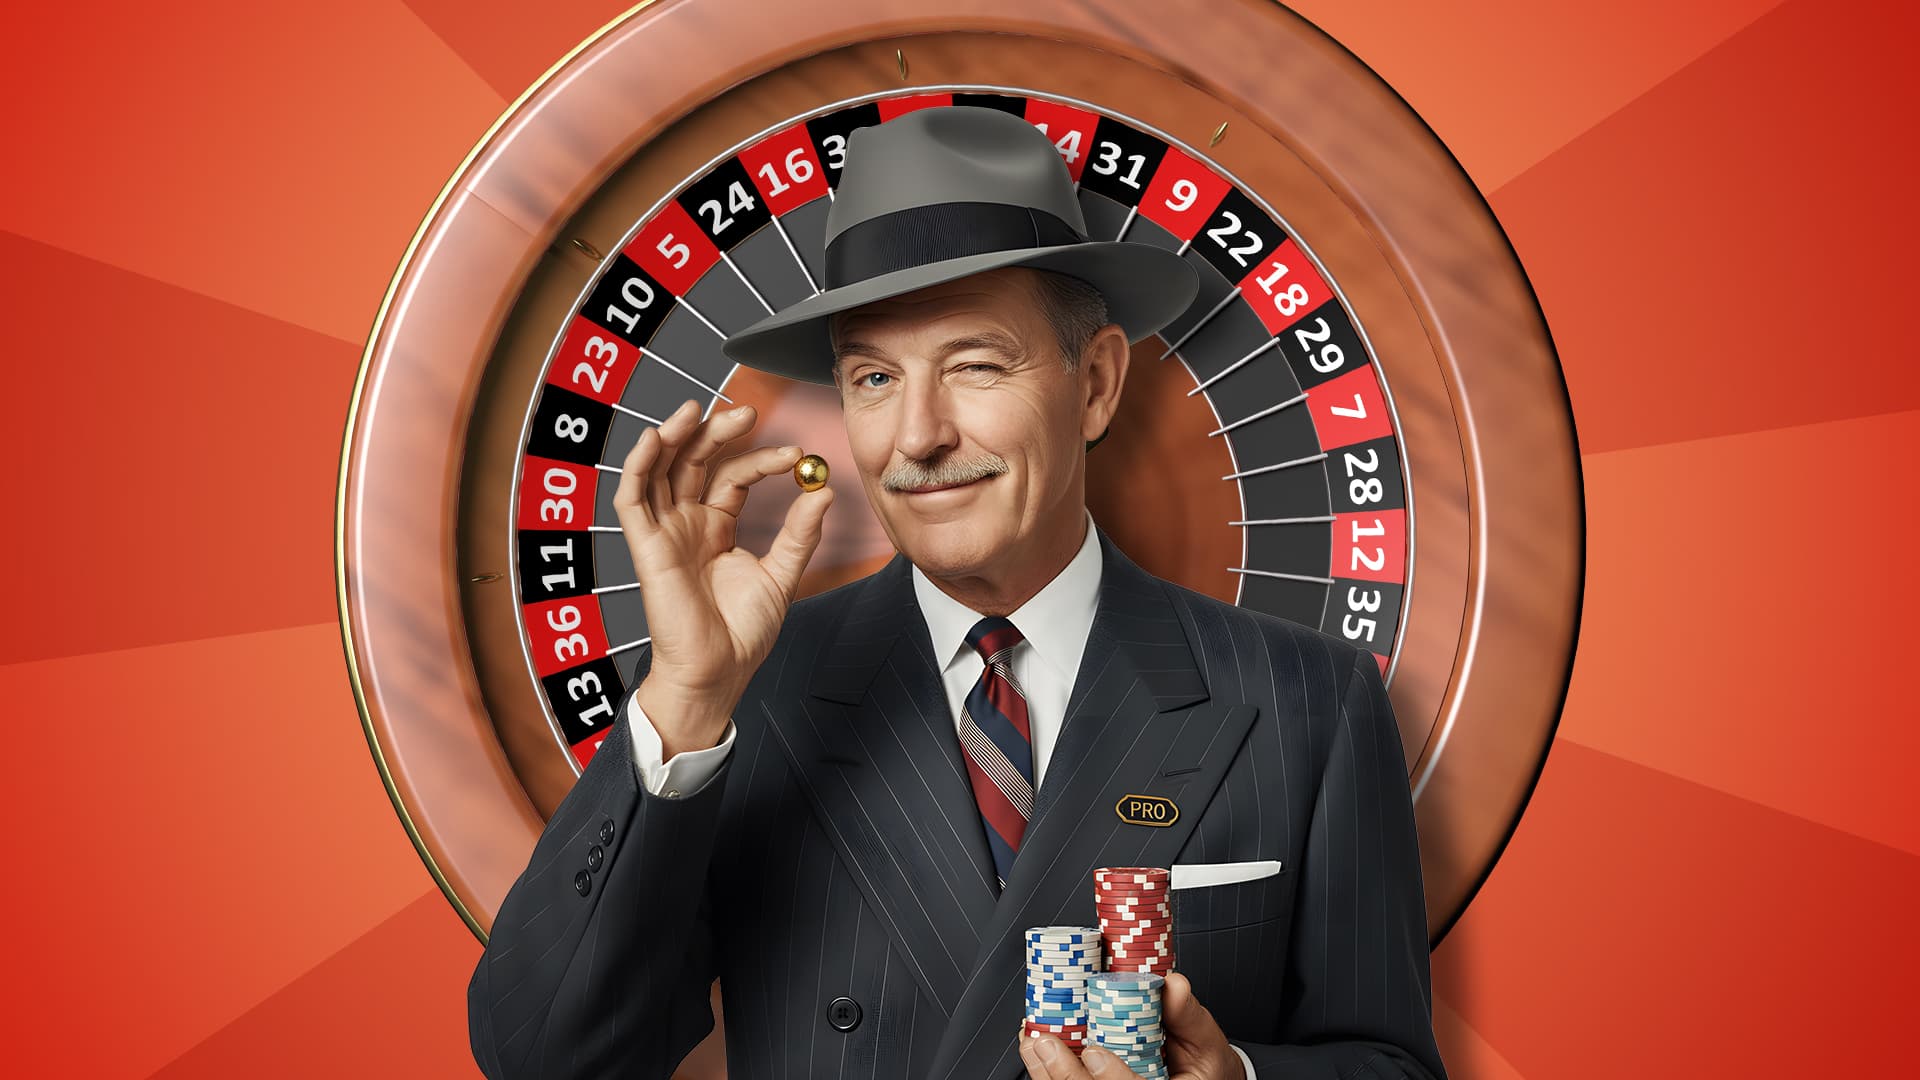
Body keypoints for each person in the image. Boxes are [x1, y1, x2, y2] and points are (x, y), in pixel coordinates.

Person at [467, 106, 1445, 1080]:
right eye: (875, 380)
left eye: (976, 366)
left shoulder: (1309, 702)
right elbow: (546, 1057)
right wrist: (684, 699)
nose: (918, 436)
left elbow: (1387, 1066)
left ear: (1096, 383)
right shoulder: (740, 700)